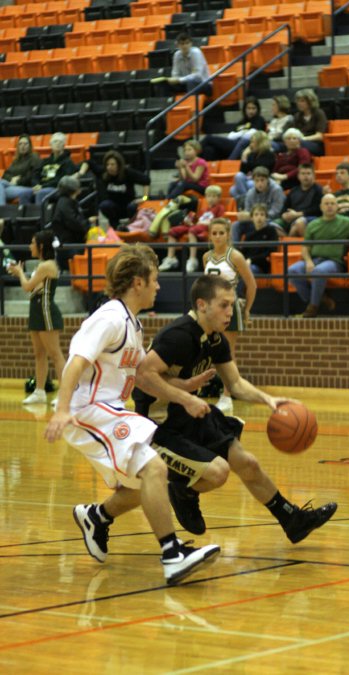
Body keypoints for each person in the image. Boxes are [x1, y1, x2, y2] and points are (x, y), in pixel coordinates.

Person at [44, 243, 221, 585]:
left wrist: (184, 390)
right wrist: (62, 410)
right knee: (155, 468)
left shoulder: (133, 325)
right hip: (89, 411)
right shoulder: (109, 318)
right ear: (137, 283)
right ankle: (172, 555)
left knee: (144, 485)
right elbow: (75, 362)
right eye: (154, 280)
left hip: (109, 411)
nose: (158, 286)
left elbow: (143, 377)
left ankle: (96, 517)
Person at [132, 274, 338, 542]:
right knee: (218, 473)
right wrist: (185, 394)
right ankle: (183, 490)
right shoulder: (179, 336)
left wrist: (269, 400)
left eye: (233, 305)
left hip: (189, 413)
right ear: (202, 304)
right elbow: (143, 376)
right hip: (159, 424)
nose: (231, 312)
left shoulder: (216, 339)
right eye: (224, 305)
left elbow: (236, 383)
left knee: (248, 463)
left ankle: (293, 519)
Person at [288, 193, 349, 318]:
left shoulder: (346, 222)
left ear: (337, 206)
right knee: (292, 270)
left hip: (334, 261)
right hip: (314, 259)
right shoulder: (313, 225)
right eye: (326, 203)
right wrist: (308, 261)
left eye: (332, 203)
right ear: (321, 207)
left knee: (318, 271)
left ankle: (312, 308)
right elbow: (305, 248)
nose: (329, 206)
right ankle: (319, 299)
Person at [203, 217, 257, 412]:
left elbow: (251, 284)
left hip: (229, 308)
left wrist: (247, 309)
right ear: (210, 235)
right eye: (214, 233)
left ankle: (227, 396)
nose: (217, 237)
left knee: (227, 352)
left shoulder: (235, 256)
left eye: (221, 233)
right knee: (209, 351)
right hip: (210, 310)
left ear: (228, 235)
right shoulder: (206, 257)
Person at [8, 230, 65, 407]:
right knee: (39, 354)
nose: (30, 246)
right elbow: (34, 288)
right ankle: (39, 392)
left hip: (46, 311)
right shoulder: (41, 265)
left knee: (55, 354)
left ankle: (65, 394)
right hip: (36, 310)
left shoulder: (46, 265)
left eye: (32, 243)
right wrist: (21, 274)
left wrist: (19, 273)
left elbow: (27, 286)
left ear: (40, 246)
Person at [159, 184, 225, 272]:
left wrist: (205, 223)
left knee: (192, 230)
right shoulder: (204, 209)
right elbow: (196, 220)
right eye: (209, 196)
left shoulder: (220, 208)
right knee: (172, 231)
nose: (211, 199)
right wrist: (189, 221)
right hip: (197, 226)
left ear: (219, 198)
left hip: (208, 228)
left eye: (214, 196)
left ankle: (192, 259)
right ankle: (171, 258)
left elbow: (220, 222)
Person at [79, 150, 150, 230]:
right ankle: (116, 226)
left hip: (128, 206)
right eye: (107, 164)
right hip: (113, 207)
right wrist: (81, 173)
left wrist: (144, 198)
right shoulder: (104, 172)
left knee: (133, 206)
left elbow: (146, 180)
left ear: (118, 165)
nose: (109, 167)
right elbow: (88, 162)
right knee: (104, 205)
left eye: (112, 164)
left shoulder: (127, 173)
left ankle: (132, 227)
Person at [200, 97, 266, 161]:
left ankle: (195, 151)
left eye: (253, 108)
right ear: (244, 109)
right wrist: (242, 133)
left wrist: (239, 133)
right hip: (232, 144)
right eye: (248, 108)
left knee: (208, 138)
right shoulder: (242, 122)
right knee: (209, 150)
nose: (251, 111)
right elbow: (230, 136)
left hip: (242, 146)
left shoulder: (259, 120)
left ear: (257, 109)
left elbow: (252, 133)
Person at [51, 175, 95, 271]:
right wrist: (87, 223)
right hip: (70, 246)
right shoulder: (65, 203)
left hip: (70, 244)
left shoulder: (67, 201)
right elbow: (74, 222)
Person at [229, 95, 294, 159]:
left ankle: (229, 162)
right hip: (268, 141)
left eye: (274, 105)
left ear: (280, 106)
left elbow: (283, 136)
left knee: (246, 141)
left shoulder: (289, 119)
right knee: (247, 143)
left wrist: (266, 138)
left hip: (279, 144)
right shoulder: (274, 120)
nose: (272, 107)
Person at [232, 166, 285, 243]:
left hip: (271, 220)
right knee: (236, 225)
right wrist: (246, 215)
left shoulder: (276, 190)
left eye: (262, 180)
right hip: (255, 221)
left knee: (272, 226)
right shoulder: (250, 193)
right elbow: (248, 210)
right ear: (253, 181)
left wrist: (261, 216)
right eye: (257, 181)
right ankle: (235, 251)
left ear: (268, 180)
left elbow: (277, 211)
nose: (260, 183)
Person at [230, 131, 276, 204]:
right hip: (251, 178)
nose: (250, 145)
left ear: (260, 143)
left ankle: (247, 203)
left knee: (242, 187)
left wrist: (250, 163)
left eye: (253, 142)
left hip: (263, 180)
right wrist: (244, 157)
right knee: (237, 177)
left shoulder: (269, 154)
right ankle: (248, 201)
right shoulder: (251, 154)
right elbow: (243, 171)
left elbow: (261, 169)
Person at [32, 132, 77, 205]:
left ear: (64, 145)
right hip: (41, 187)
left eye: (60, 142)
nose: (58, 144)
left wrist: (42, 186)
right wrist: (36, 185)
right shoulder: (45, 161)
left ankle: (40, 215)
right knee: (24, 194)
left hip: (56, 189)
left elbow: (62, 180)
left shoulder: (68, 162)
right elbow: (35, 174)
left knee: (40, 193)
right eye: (55, 141)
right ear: (51, 145)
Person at [279, 163, 323, 236]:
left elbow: (317, 210)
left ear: (314, 176)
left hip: (311, 218)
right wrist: (284, 215)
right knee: (272, 226)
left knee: (298, 224)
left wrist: (297, 214)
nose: (306, 176)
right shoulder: (293, 191)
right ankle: (286, 240)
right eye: (303, 173)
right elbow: (285, 208)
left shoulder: (318, 190)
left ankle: (296, 245)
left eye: (308, 173)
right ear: (298, 176)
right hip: (292, 218)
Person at [241, 204, 280, 275]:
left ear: (266, 217)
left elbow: (270, 251)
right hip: (247, 263)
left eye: (262, 215)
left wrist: (252, 260)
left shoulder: (271, 231)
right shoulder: (248, 233)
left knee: (248, 270)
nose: (259, 217)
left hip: (261, 265)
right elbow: (244, 251)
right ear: (251, 217)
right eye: (256, 215)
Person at [0, 135, 38, 206]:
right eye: (20, 144)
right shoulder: (16, 160)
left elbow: (32, 176)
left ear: (30, 145)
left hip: (27, 187)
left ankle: (2, 212)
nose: (23, 146)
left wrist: (18, 181)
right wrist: (12, 179)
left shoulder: (34, 157)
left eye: (25, 144)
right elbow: (5, 175)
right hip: (12, 186)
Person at [292, 89, 328, 156]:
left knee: (297, 143)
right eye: (298, 101)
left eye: (302, 101)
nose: (299, 103)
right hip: (300, 141)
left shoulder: (319, 113)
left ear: (310, 102)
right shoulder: (297, 116)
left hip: (316, 144)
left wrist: (303, 139)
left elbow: (319, 136)